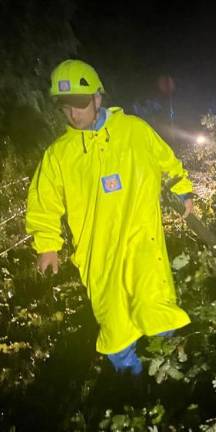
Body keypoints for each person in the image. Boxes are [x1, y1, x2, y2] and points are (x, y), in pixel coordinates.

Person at [26, 59, 194, 374]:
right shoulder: (59, 155)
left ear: (97, 98)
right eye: (65, 106)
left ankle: (170, 372)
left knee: (154, 305)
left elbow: (166, 161)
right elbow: (43, 202)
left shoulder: (134, 130)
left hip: (143, 243)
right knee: (115, 323)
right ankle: (130, 381)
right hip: (98, 255)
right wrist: (47, 246)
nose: (74, 114)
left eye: (79, 104)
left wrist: (183, 190)